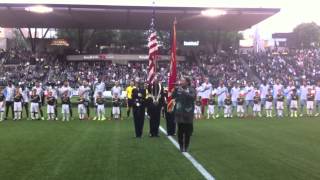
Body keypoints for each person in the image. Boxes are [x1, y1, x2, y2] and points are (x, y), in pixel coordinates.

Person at [172, 77, 196, 152]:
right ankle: (181, 146)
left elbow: (193, 97)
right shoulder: (178, 88)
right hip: (179, 113)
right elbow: (173, 97)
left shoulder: (191, 89)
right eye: (181, 80)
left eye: (182, 80)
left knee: (187, 132)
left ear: (187, 82)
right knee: (180, 131)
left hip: (188, 113)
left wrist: (184, 91)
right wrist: (174, 90)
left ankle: (186, 146)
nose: (181, 82)